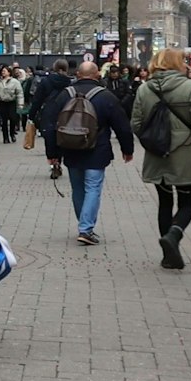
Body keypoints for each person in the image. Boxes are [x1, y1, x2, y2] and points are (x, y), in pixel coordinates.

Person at [40, 60, 135, 246]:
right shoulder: (105, 96)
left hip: (71, 149)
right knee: (93, 187)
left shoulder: (64, 95)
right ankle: (86, 228)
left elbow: (50, 124)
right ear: (97, 75)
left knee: (77, 188)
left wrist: (52, 153)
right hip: (97, 150)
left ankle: (84, 224)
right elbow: (122, 125)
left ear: (77, 75)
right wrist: (127, 149)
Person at [132, 48, 191, 269]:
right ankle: (174, 235)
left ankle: (168, 254)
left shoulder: (144, 89)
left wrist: (149, 142)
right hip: (185, 151)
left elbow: (136, 122)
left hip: (156, 151)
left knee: (164, 201)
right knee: (187, 200)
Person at [0, 67, 22, 143]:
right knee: (4, 120)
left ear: (9, 72)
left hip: (11, 102)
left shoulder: (15, 81)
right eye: (2, 71)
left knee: (13, 118)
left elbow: (19, 92)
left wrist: (20, 103)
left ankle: (12, 133)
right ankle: (5, 137)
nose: (3, 72)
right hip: (2, 102)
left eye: (4, 71)